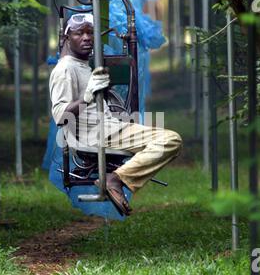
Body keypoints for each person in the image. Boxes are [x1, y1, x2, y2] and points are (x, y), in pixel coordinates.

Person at [49, 13, 182, 216]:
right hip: (96, 135)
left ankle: (118, 178)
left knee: (167, 139)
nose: (86, 38)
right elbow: (60, 115)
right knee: (170, 140)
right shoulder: (65, 70)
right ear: (66, 37)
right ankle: (117, 179)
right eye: (79, 33)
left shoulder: (82, 65)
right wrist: (86, 97)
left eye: (90, 33)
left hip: (110, 127)